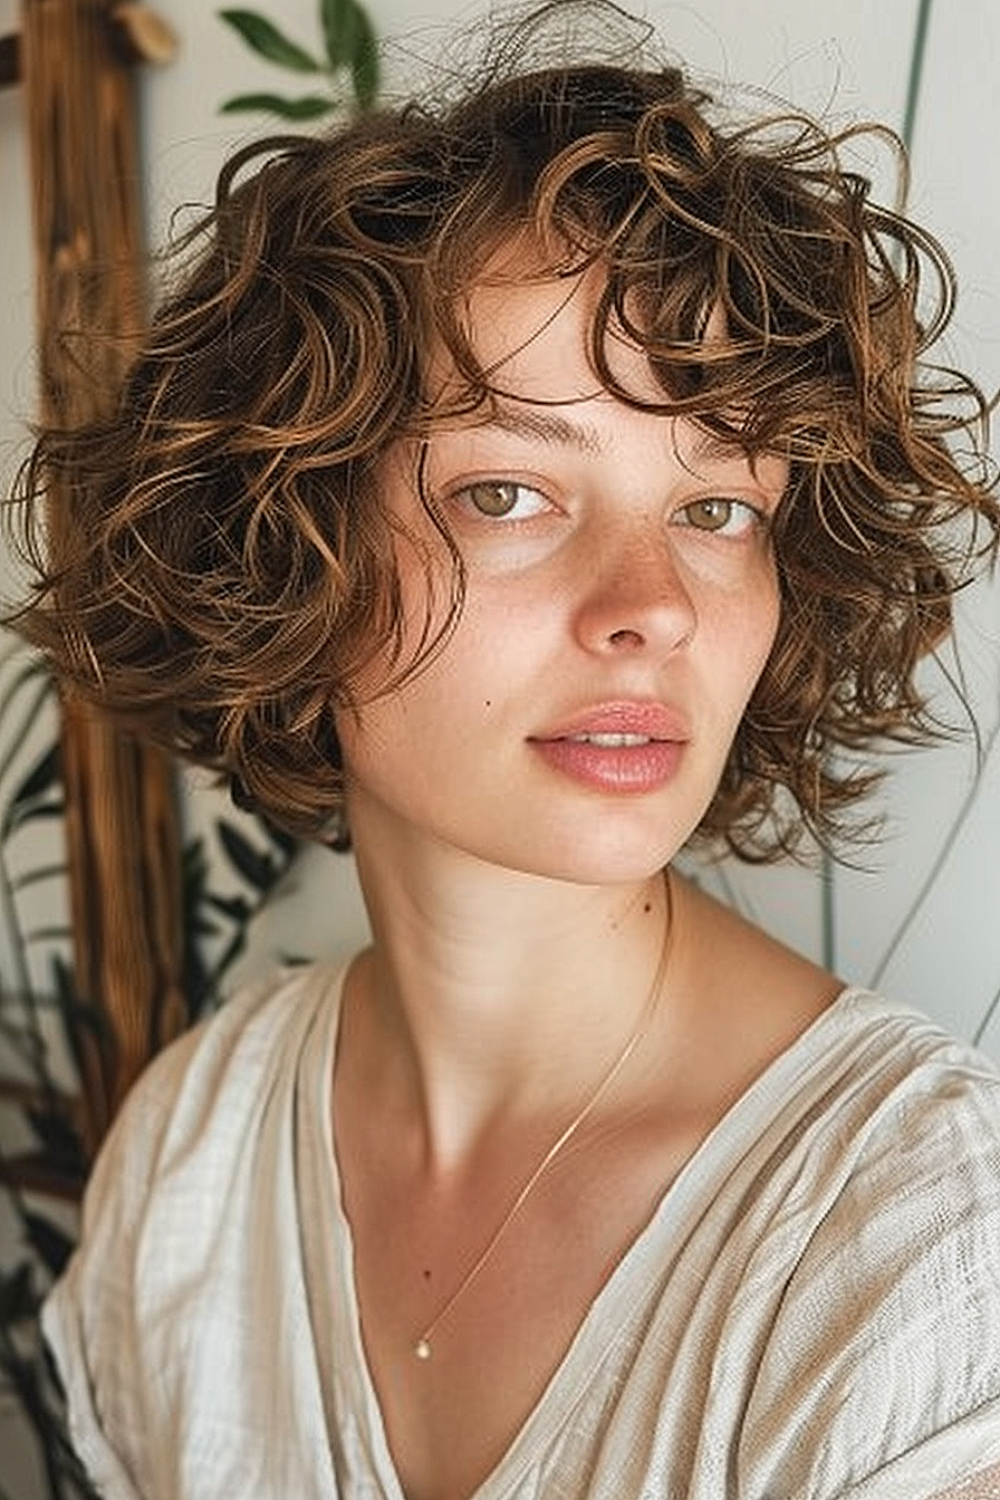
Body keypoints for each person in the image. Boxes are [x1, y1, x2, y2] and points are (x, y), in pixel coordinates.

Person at [14, 2, 1000, 1496]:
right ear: (288, 546)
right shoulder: (192, 1162)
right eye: (508, 495)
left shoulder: (921, 1236)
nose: (653, 608)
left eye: (717, 507)